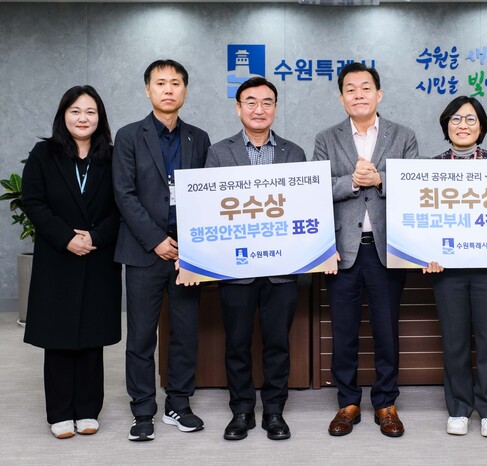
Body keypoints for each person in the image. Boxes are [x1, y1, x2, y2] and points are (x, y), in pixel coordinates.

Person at [313, 62, 419, 438]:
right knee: (344, 332)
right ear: (341, 98)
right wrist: (352, 182)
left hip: (386, 250)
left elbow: (414, 186)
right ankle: (348, 402)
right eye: (351, 89)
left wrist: (380, 179)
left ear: (379, 94)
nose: (358, 94)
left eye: (365, 88)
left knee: (386, 330)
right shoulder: (326, 138)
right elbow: (316, 188)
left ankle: (386, 402)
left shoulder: (403, 136)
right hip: (343, 251)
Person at [113, 59, 211, 441]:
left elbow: (206, 196)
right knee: (141, 335)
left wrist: (189, 243)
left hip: (188, 252)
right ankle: (142, 410)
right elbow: (124, 194)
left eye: (175, 83)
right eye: (160, 83)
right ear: (148, 90)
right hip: (144, 252)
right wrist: (155, 240)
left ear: (185, 90)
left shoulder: (198, 138)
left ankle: (179, 404)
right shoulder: (128, 136)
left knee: (185, 332)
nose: (168, 89)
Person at [205, 77, 306, 441]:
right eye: (250, 102)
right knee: (237, 342)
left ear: (275, 108)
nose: (259, 109)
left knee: (278, 342)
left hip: (282, 268)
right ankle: (242, 410)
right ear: (238, 108)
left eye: (267, 102)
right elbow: (209, 210)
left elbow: (304, 208)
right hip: (236, 268)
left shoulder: (294, 153)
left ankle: (274, 411)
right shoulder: (218, 153)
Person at [22, 85, 121, 439]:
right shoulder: (44, 153)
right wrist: (66, 237)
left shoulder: (112, 156)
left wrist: (95, 237)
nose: (83, 118)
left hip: (98, 255)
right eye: (75, 111)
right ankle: (61, 412)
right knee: (59, 335)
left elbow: (122, 205)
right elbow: (33, 201)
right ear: (63, 115)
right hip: (58, 256)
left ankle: (88, 409)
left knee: (92, 335)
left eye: (90, 112)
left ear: (100, 117)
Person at [421, 96, 487, 437]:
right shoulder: (430, 168)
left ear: (481, 126)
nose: (463, 125)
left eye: (471, 119)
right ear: (446, 125)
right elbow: (422, 220)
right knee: (455, 340)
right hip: (447, 270)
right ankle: (458, 407)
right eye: (456, 119)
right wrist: (423, 253)